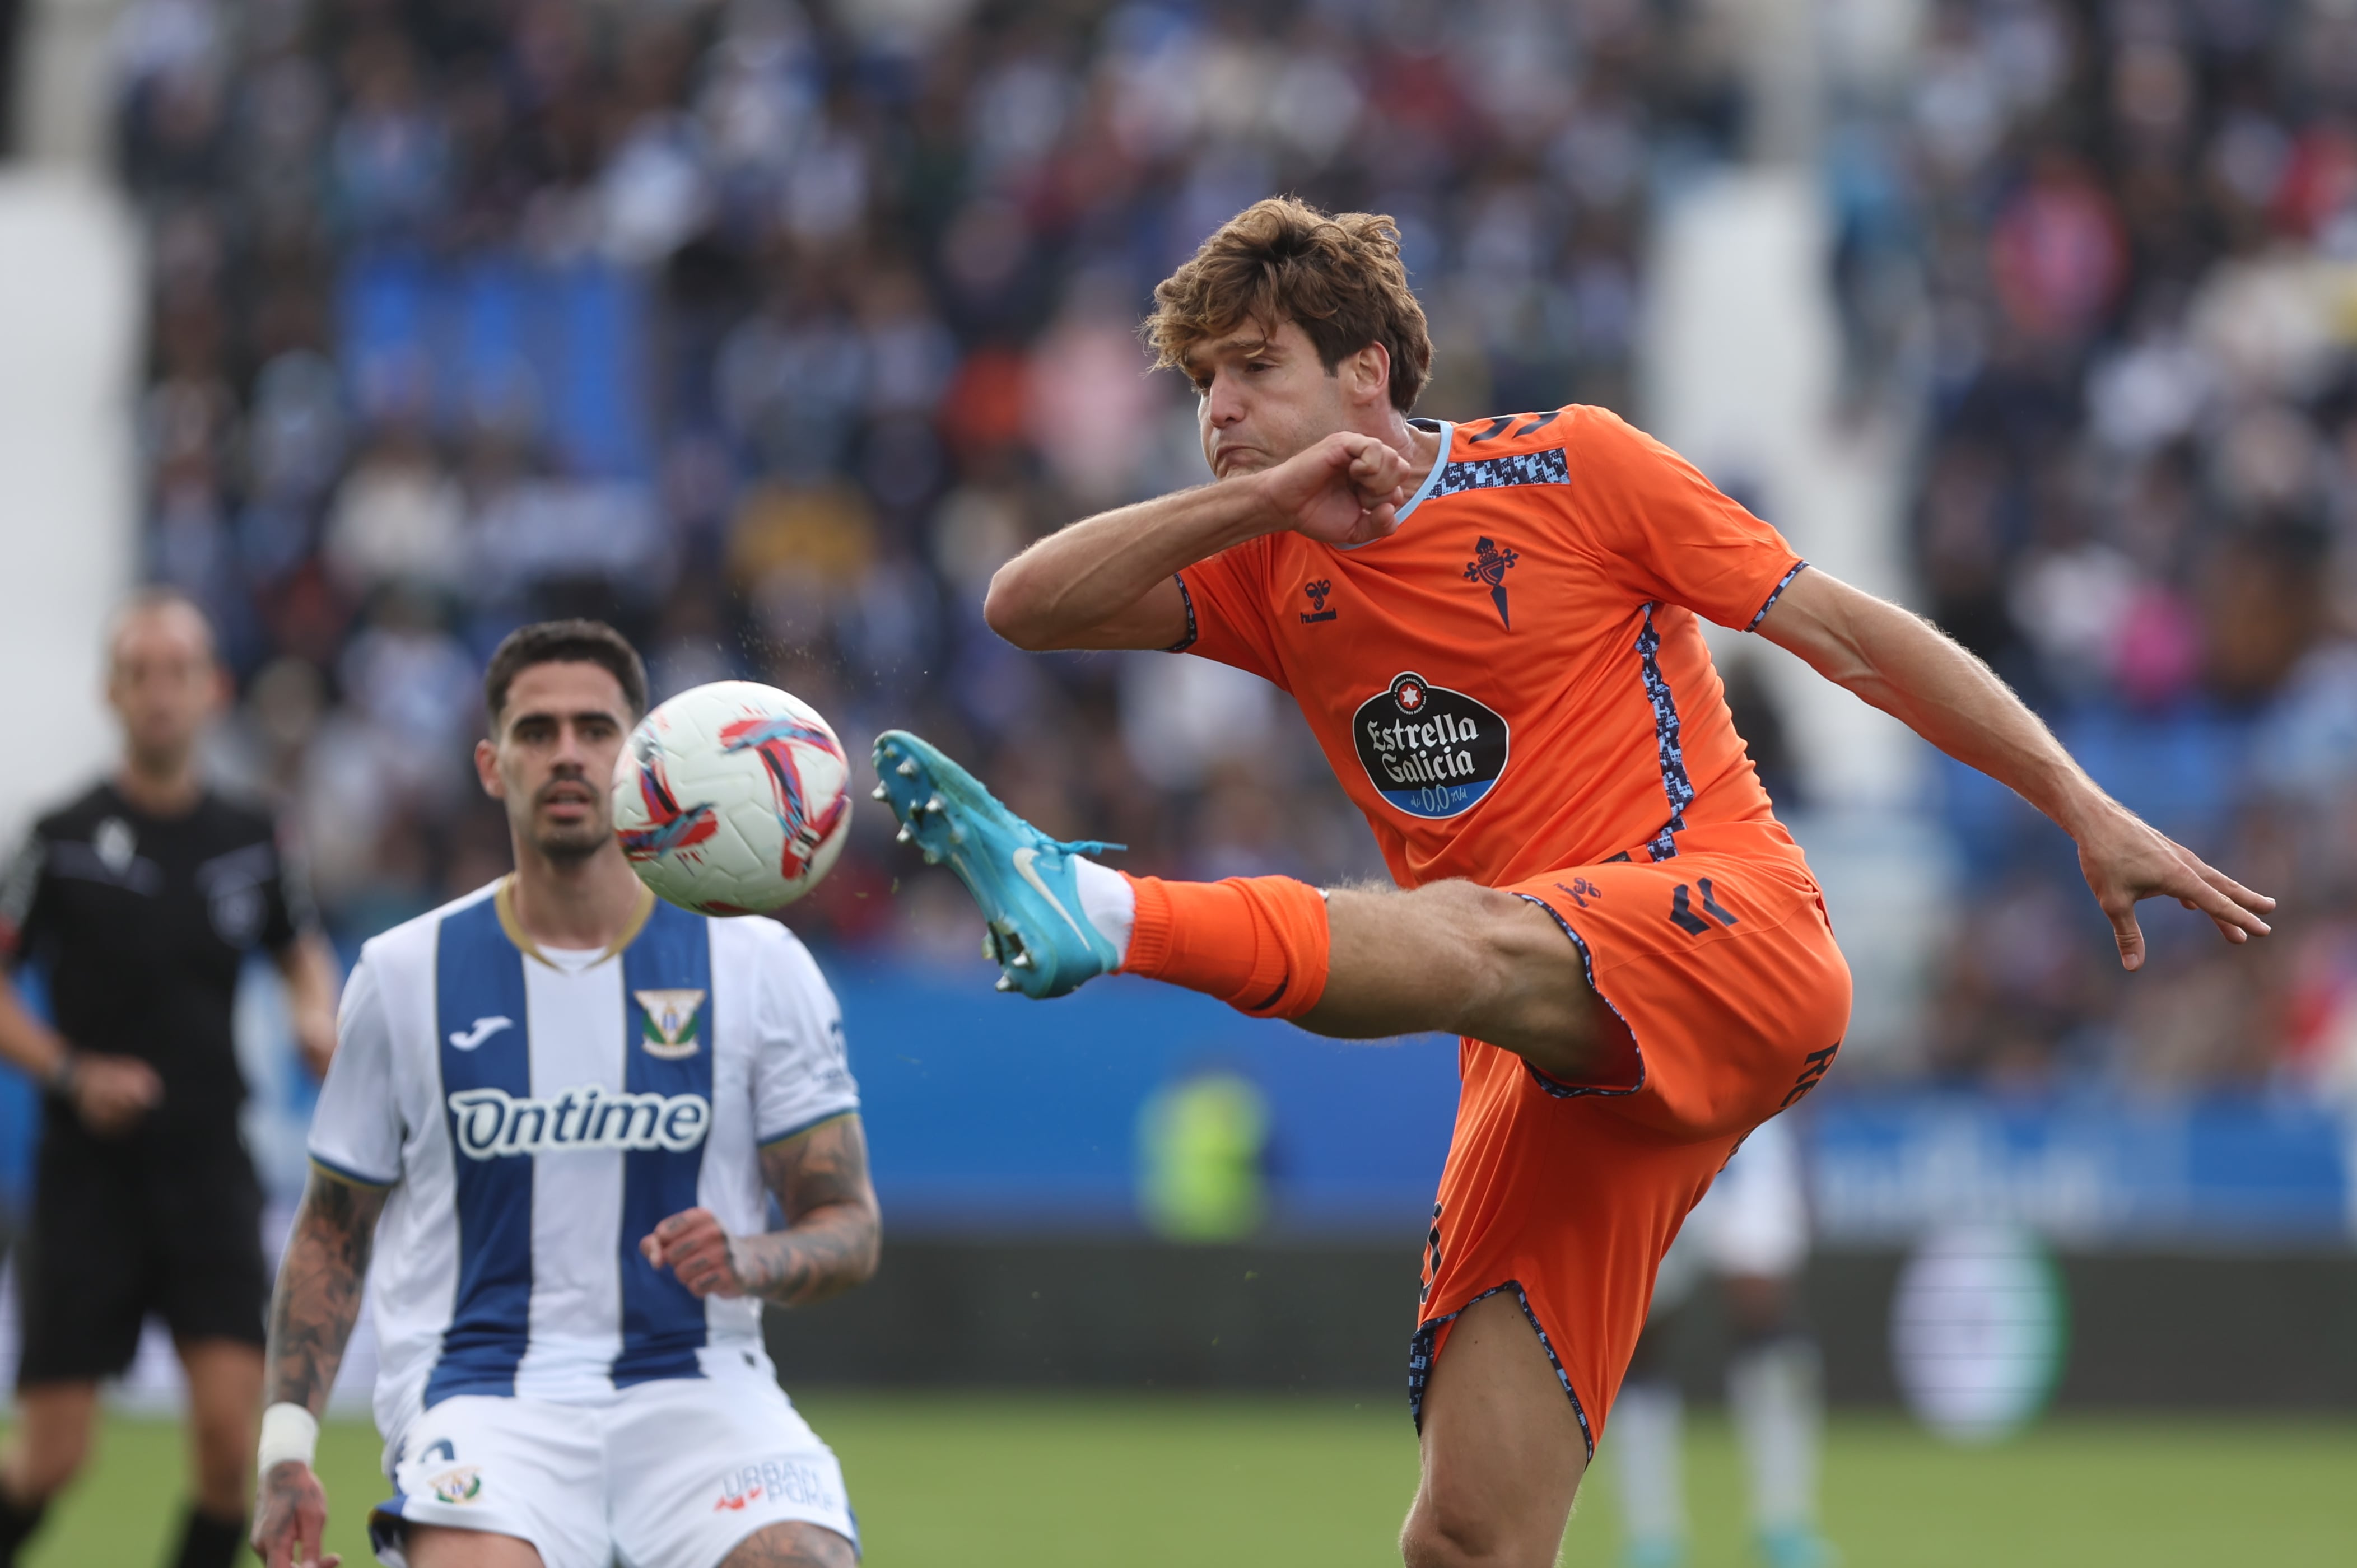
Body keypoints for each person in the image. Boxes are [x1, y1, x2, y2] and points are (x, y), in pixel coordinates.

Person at [867, 197, 2274, 1568]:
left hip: (1730, 937)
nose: (1218, 410)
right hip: (1547, 1059)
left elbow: (1845, 631)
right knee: (1467, 1532)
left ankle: (1102, 912)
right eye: (1200, 383)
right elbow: (1021, 606)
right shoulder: (1266, 572)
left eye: (1254, 368)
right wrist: (1262, 501)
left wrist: (2077, 800)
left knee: (1474, 935)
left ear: (1367, 371)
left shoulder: (1574, 466)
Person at [249, 620, 878, 1568]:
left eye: (596, 729)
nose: (569, 754)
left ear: (643, 758)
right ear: (491, 765)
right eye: (536, 733)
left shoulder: (757, 963)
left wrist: (750, 1257)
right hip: (485, 1400)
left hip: (701, 1396)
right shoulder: (401, 972)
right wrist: (286, 1454)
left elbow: (848, 1223)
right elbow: (333, 1232)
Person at [0, 589, 341, 1568]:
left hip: (207, 1171)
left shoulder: (255, 835)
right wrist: (69, 1071)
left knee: (233, 1450)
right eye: (140, 672)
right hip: (88, 1175)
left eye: (180, 671)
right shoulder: (59, 836)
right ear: (113, 692)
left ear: (212, 689)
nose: (160, 693)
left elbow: (299, 950)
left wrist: (312, 1012)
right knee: (56, 1459)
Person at [1612, 1116, 1828, 1568]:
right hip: (1659, 1122)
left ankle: (1785, 1524)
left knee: (1765, 1308)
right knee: (1641, 1333)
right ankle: (1652, 1538)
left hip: (1750, 1115)